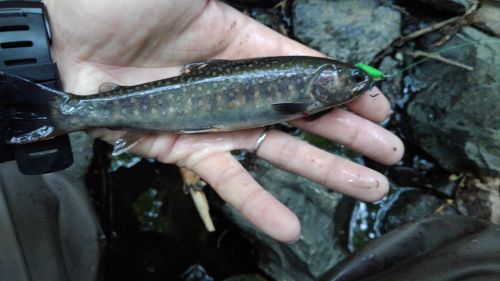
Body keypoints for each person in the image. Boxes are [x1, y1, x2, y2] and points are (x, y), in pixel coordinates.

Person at [42, 0, 404, 243]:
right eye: (352, 80)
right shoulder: (302, 100)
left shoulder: (306, 90)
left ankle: (65, 112)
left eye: (357, 82)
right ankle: (66, 112)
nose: (360, 84)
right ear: (321, 84)